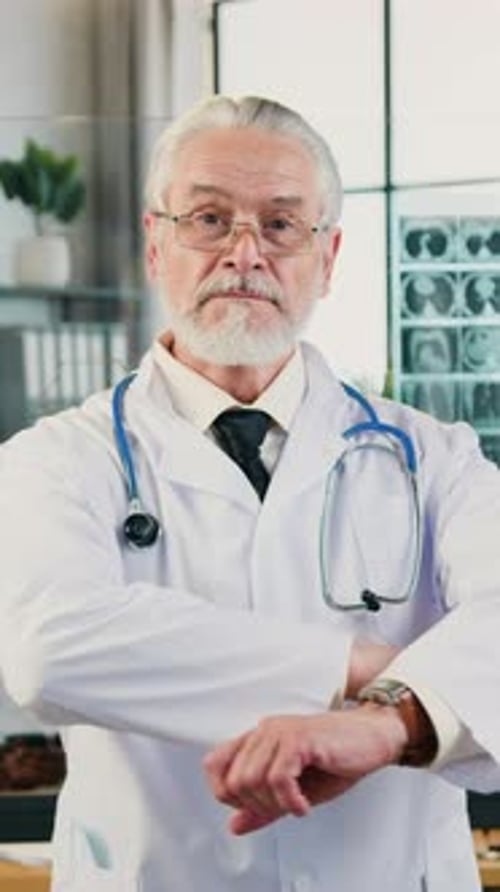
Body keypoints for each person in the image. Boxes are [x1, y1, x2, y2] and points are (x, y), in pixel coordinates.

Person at [0, 95, 500, 892]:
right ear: (155, 244)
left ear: (329, 258)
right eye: (207, 218)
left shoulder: (434, 459)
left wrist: (386, 721)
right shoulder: (57, 462)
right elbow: (49, 644)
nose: (244, 253)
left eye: (280, 224)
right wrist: (365, 663)